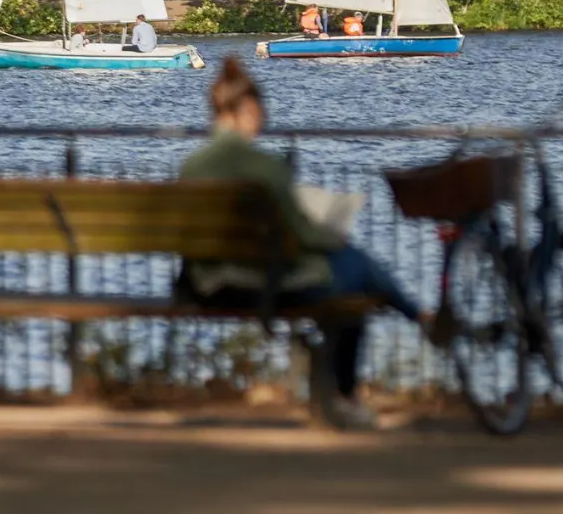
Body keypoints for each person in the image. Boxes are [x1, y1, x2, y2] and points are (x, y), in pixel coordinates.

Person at [179, 58, 427, 429]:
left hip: (208, 284)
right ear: (248, 110)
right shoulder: (265, 168)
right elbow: (299, 235)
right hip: (268, 286)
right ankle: (355, 386)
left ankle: (413, 321)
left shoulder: (192, 168)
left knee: (352, 269)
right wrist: (330, 234)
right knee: (354, 272)